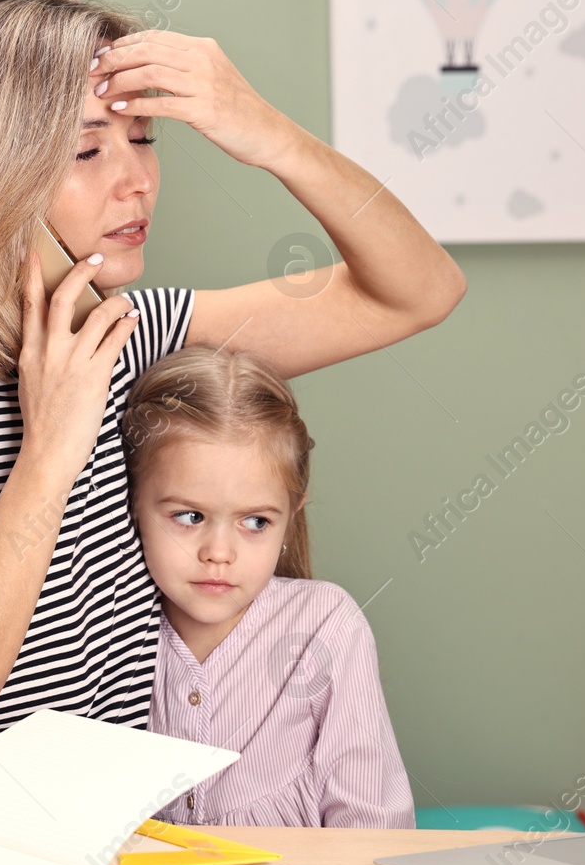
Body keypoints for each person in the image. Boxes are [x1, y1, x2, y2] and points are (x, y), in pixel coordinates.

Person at [0, 0, 465, 815]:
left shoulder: (127, 333)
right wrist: (50, 454)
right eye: (87, 151)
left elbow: (419, 290)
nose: (138, 180)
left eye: (143, 139)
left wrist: (267, 133)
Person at [123, 346, 413, 827]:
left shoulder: (326, 626)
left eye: (255, 521)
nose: (219, 552)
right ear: (132, 503)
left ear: (290, 517)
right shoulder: (107, 626)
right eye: (189, 516)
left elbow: (372, 824)